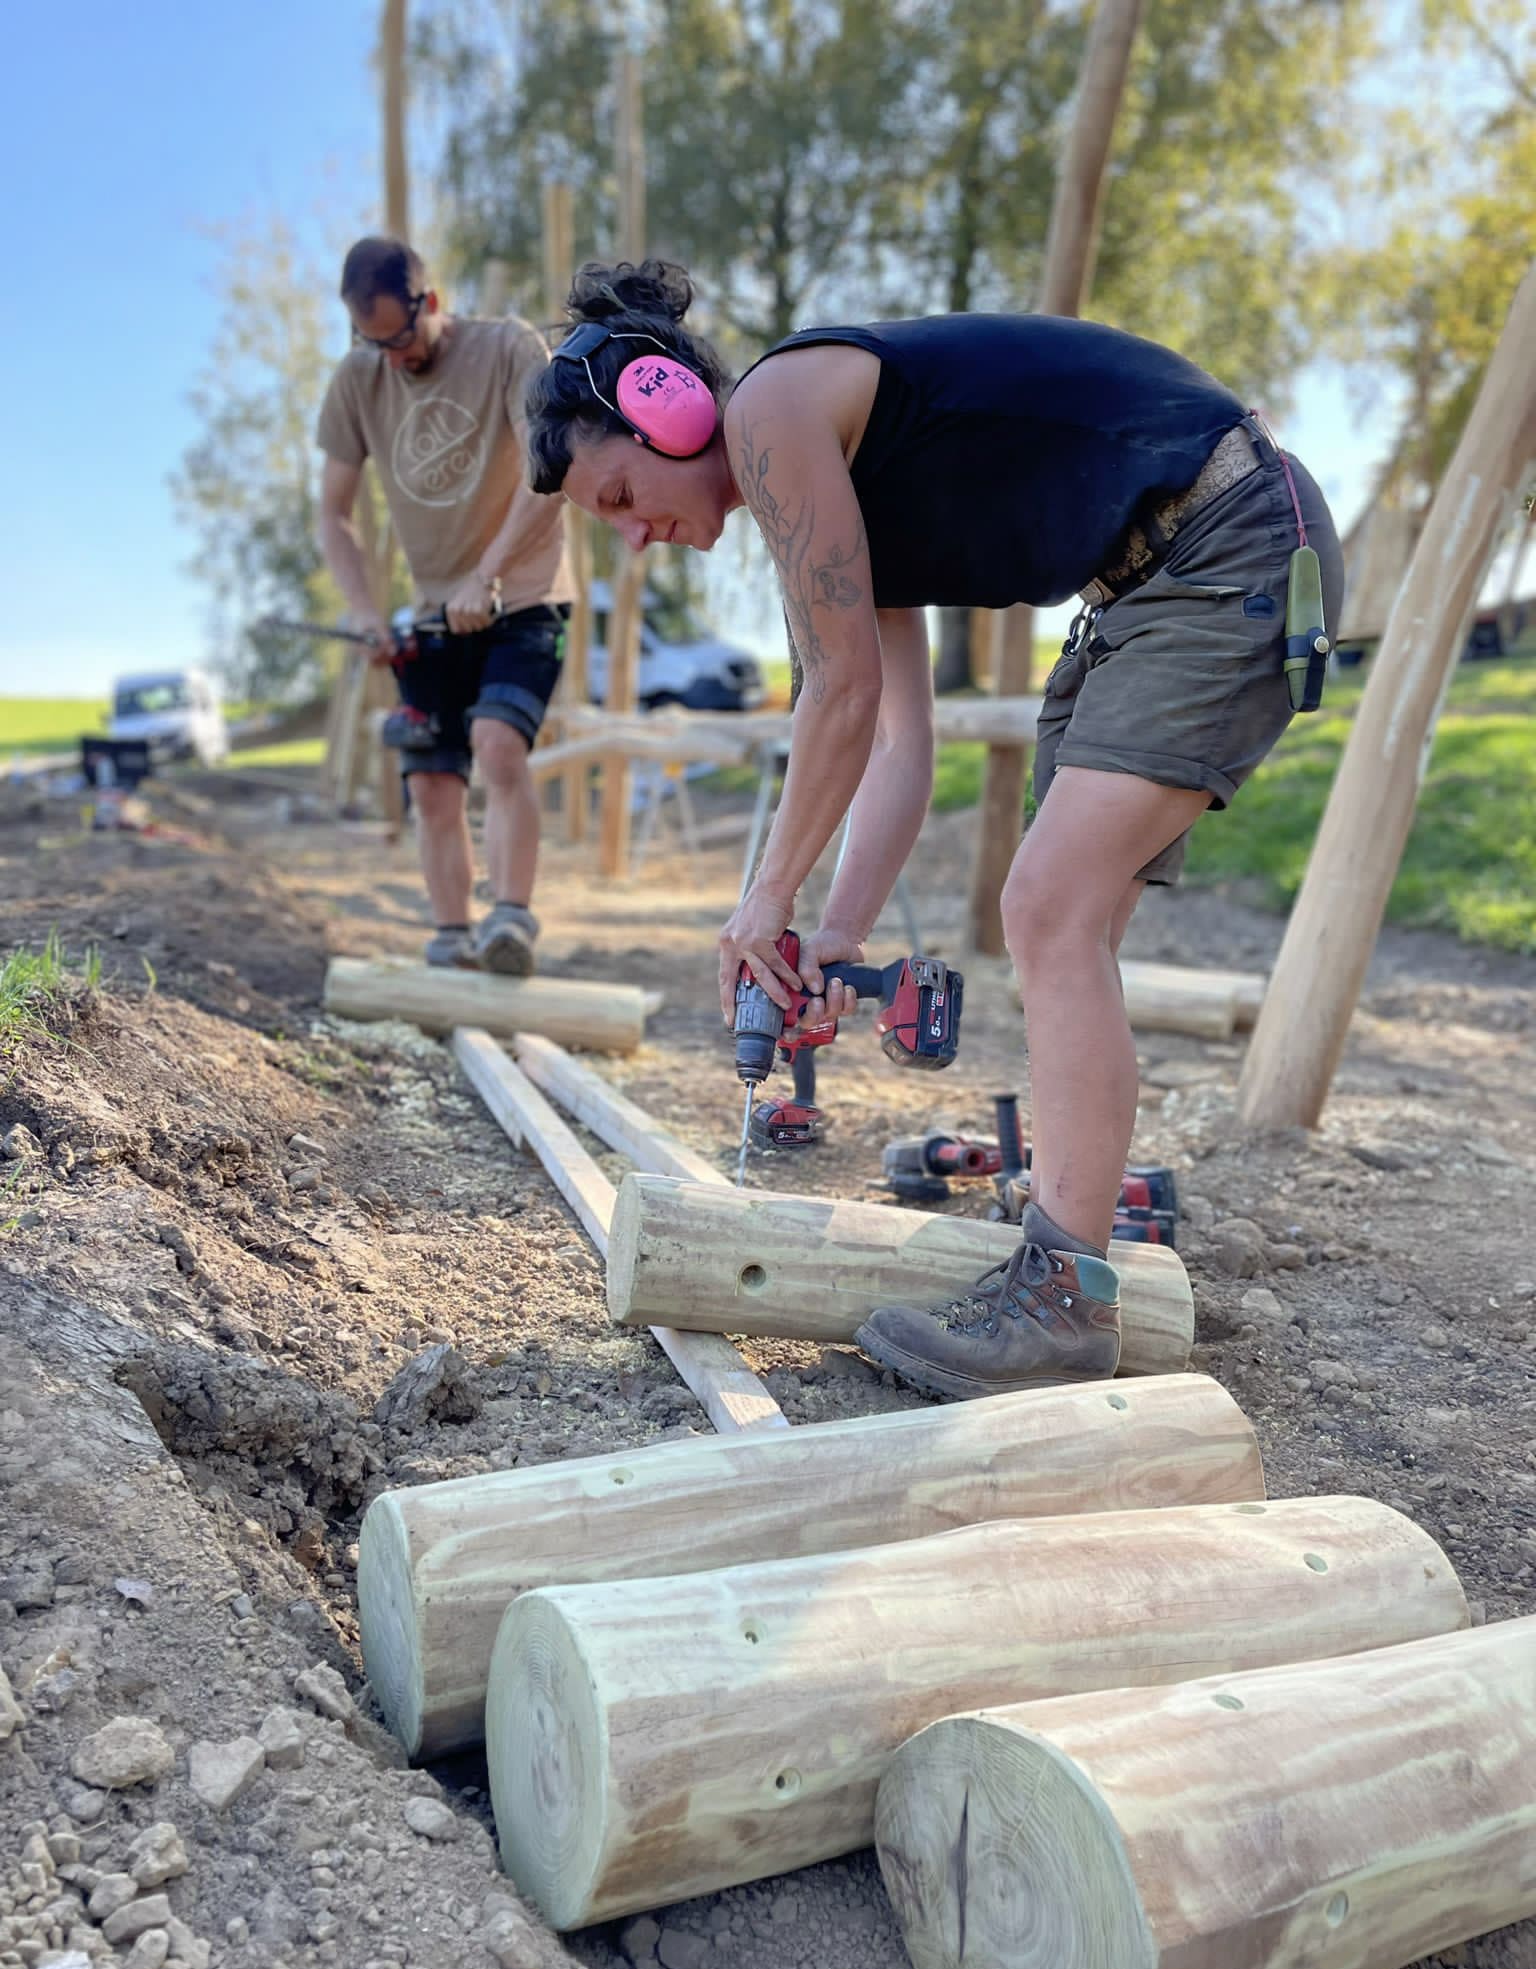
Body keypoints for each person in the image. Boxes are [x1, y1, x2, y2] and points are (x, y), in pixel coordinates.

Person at [523, 258, 1344, 1396]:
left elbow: (839, 697)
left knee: (1046, 907)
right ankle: (1069, 1270)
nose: (634, 537)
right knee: (1070, 923)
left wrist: (764, 901)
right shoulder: (827, 482)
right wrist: (837, 935)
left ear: (664, 406)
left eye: (615, 499)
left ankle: (1059, 1306)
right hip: (1150, 583)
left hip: (1221, 545)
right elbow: (898, 741)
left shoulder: (774, 412)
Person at [317, 236, 572, 974]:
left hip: (522, 596)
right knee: (429, 781)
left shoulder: (506, 349)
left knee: (496, 742)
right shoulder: (359, 377)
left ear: (429, 303)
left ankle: (512, 922)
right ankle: (452, 939)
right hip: (431, 611)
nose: (390, 357)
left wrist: (486, 576)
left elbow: (548, 472)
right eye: (370, 342)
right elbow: (332, 513)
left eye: (399, 337)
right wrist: (366, 608)